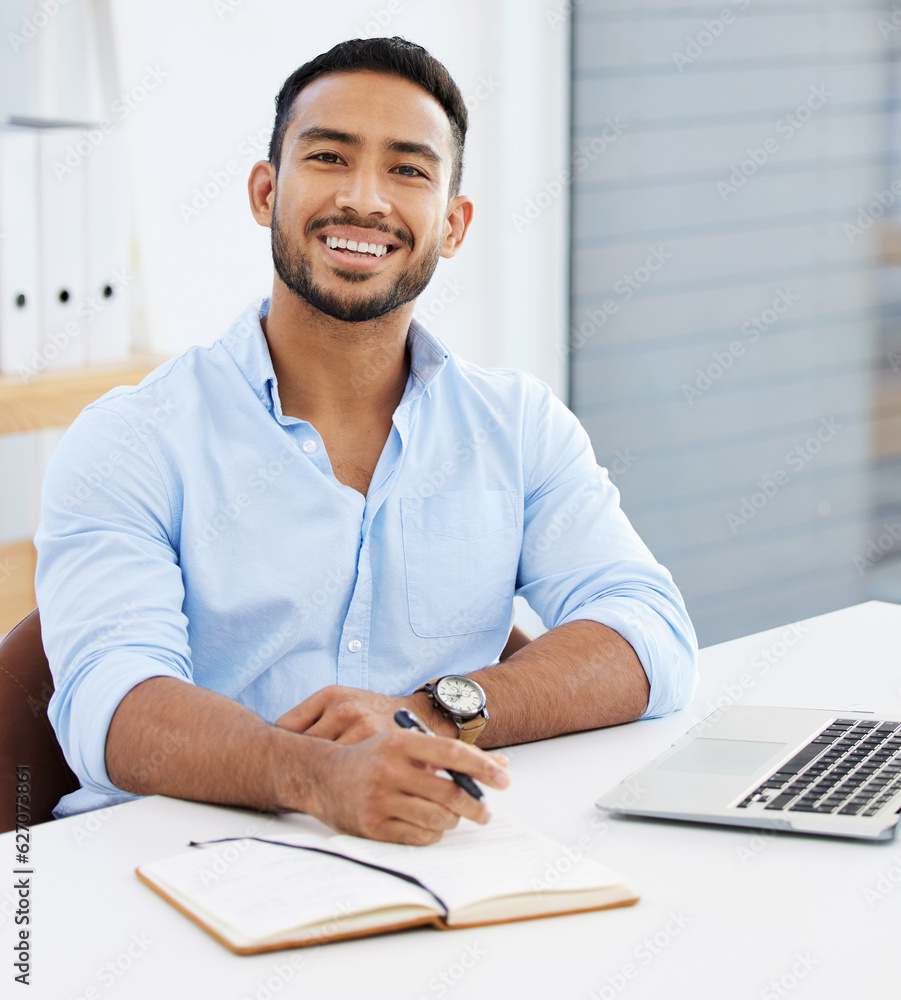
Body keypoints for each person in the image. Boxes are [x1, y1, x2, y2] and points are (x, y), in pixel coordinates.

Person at [34, 37, 697, 846]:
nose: (364, 199)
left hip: (425, 859)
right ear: (265, 190)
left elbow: (650, 631)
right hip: (169, 865)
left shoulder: (518, 426)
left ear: (452, 226)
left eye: (408, 170)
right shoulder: (131, 440)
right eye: (329, 157)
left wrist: (432, 714)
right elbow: (112, 701)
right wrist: (315, 776)